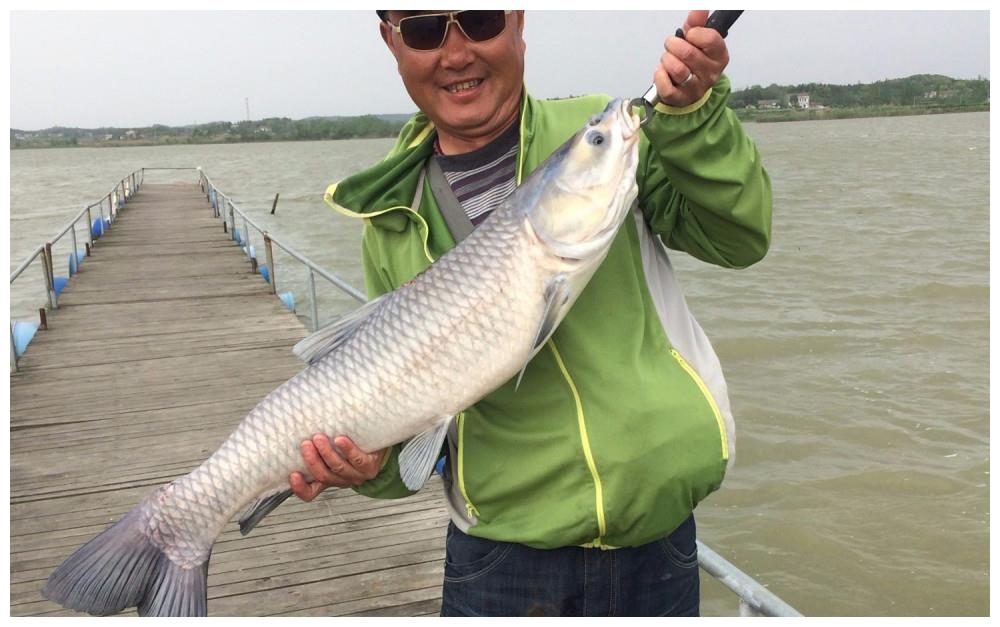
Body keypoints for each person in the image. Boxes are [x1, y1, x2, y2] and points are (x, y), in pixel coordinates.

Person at [289, 9, 771, 617]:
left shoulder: (602, 133)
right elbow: (407, 436)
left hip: (658, 547)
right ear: (391, 41)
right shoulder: (389, 216)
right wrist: (368, 465)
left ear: (518, 20)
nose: (456, 53)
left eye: (480, 19)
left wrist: (694, 117)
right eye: (424, 30)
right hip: (501, 565)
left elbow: (738, 238)